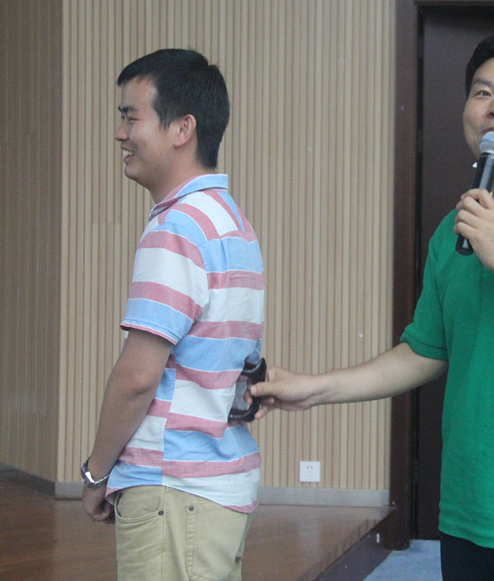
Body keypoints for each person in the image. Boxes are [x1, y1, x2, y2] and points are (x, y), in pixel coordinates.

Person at [249, 35, 494, 581]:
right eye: (483, 93)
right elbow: (424, 351)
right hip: (467, 513)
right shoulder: (454, 230)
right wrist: (315, 388)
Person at [81, 49, 264, 581]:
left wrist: (96, 473)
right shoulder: (231, 222)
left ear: (183, 128)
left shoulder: (178, 226)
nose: (120, 133)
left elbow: (137, 377)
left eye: (131, 117)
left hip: (173, 488)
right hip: (216, 489)